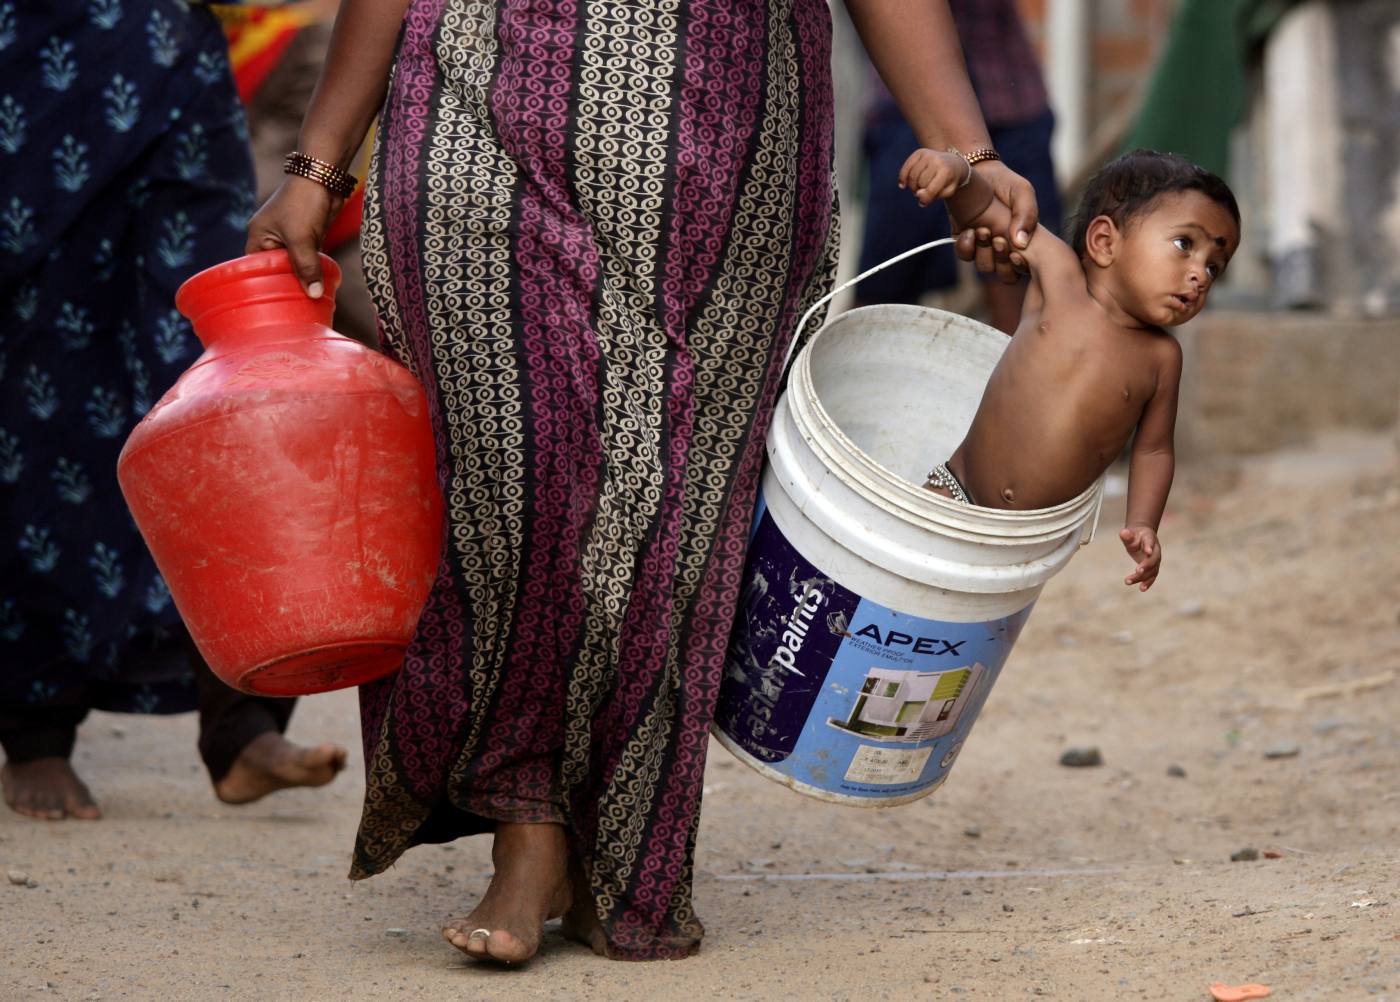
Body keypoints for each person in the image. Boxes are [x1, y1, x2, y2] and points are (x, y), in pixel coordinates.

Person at [246, 0, 1038, 964]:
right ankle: (526, 823)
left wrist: (967, 152)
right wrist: (321, 167)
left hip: (727, 141)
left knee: (672, 503)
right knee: (512, 480)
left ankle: (619, 845)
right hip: (474, 115)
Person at [0, 0, 346, 821]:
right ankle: (35, 729)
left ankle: (242, 720)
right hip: (28, 66)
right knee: (40, 387)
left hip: (177, 62)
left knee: (218, 367)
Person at [901, 148, 1241, 591]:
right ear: (1104, 242)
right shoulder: (1059, 277)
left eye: (1214, 267)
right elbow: (987, 210)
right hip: (955, 493)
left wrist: (1144, 523)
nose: (1199, 275)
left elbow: (1153, 450)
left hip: (1029, 542)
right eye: (1185, 245)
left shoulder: (1161, 359)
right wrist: (960, 175)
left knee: (968, 636)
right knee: (898, 590)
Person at [855, 0, 1061, 334]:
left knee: (1020, 275)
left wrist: (974, 156)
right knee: (885, 290)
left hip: (1010, 96)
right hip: (907, 104)